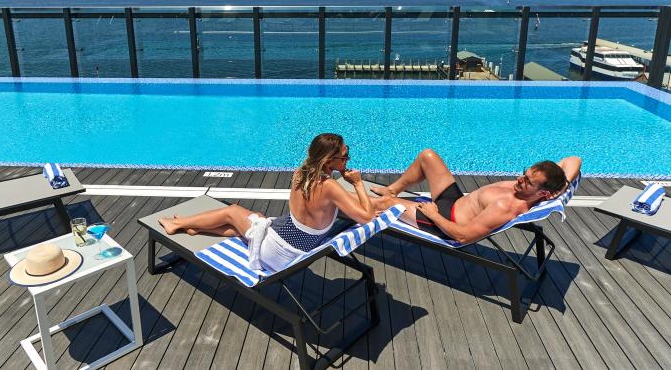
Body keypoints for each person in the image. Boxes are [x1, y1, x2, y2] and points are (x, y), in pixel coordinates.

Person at [158, 133, 379, 272]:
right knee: (242, 215)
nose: (347, 159)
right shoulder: (330, 187)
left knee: (242, 214)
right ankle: (180, 225)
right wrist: (358, 184)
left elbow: (357, 211)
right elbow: (367, 216)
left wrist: (359, 189)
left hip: (281, 250)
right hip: (288, 251)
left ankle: (186, 224)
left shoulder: (300, 174)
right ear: (328, 160)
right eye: (344, 156)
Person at [371, 149, 582, 244]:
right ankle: (393, 189)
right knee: (428, 156)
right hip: (455, 201)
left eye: (527, 181)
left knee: (386, 204)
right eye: (524, 174)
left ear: (542, 193)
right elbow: (574, 159)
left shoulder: (505, 207)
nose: (519, 179)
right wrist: (563, 187)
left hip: (445, 221)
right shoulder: (539, 190)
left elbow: (462, 236)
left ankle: (341, 197)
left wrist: (434, 215)